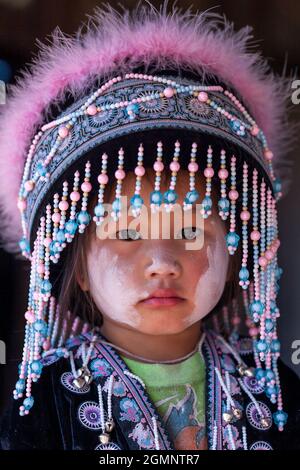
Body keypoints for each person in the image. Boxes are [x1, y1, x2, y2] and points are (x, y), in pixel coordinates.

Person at [0, 2, 299, 451]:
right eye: (124, 234)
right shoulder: (46, 400)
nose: (162, 263)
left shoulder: (275, 392)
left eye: (191, 232)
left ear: (233, 249)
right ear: (78, 267)